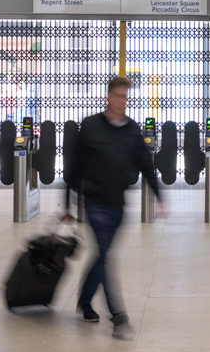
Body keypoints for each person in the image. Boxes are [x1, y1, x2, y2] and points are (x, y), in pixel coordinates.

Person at [64, 74, 163, 338]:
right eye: (119, 96)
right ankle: (118, 315)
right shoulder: (91, 126)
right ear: (108, 97)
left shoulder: (132, 129)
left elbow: (146, 164)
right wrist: (67, 204)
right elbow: (74, 167)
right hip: (94, 204)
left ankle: (84, 300)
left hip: (118, 205)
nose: (123, 101)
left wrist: (158, 196)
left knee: (102, 255)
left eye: (125, 97)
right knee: (106, 255)